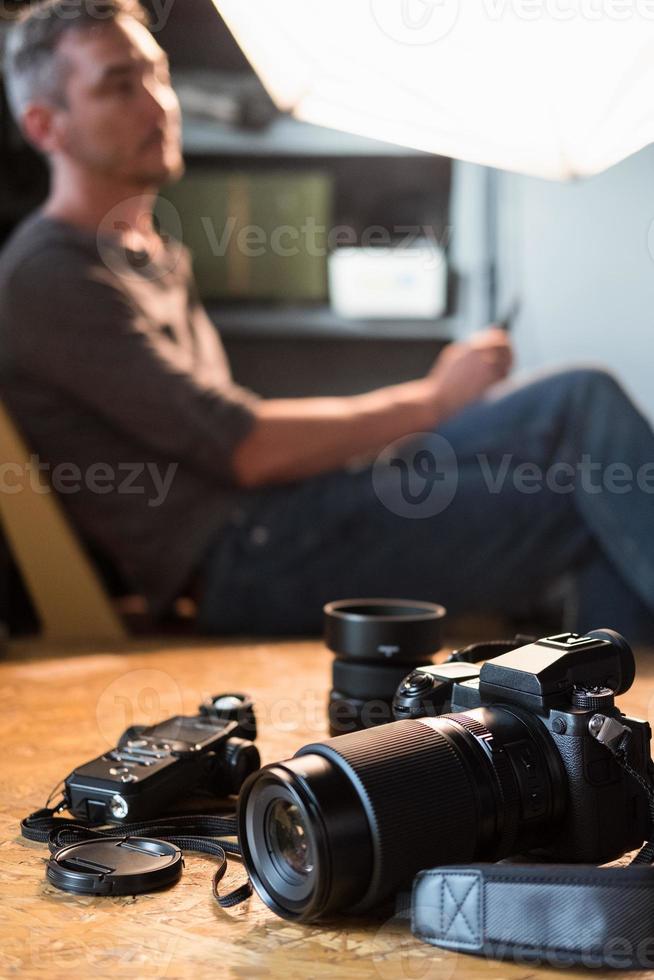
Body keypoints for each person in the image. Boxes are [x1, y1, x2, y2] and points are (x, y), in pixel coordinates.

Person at [1, 0, 654, 641]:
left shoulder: (146, 246)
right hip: (243, 555)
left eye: (157, 74)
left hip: (284, 511)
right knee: (584, 502)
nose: (159, 104)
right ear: (44, 126)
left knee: (579, 400)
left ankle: (598, 731)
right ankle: (603, 730)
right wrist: (431, 399)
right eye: (119, 86)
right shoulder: (50, 277)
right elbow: (245, 450)